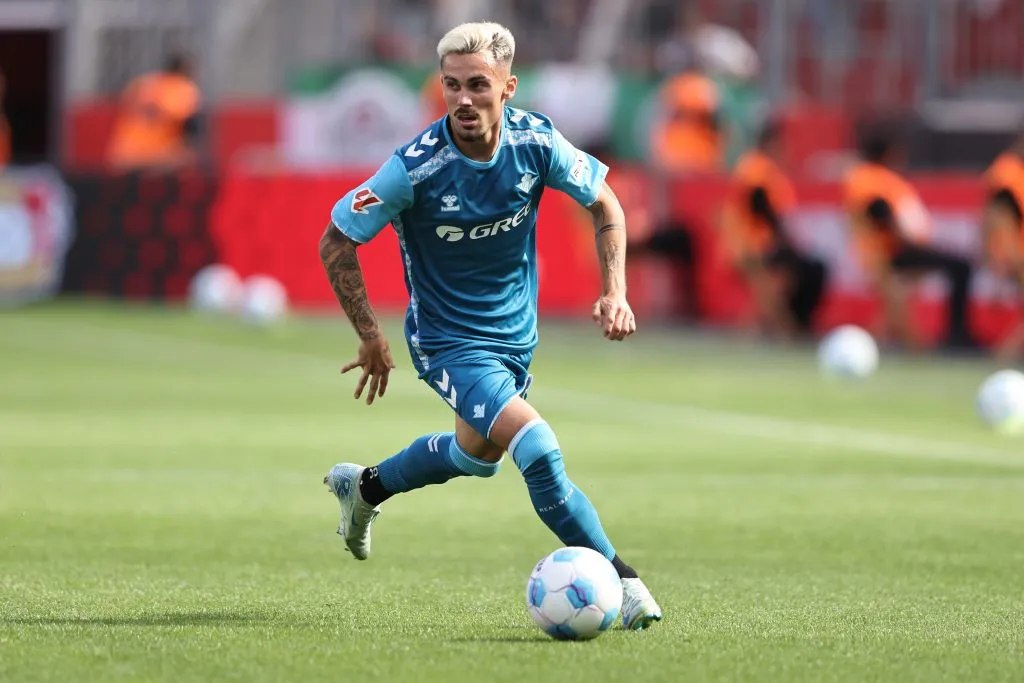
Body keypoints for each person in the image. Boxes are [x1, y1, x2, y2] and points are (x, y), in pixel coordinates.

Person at [318, 21, 662, 631]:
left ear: (508, 87)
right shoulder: (415, 168)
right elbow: (337, 240)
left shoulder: (536, 142)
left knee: (476, 457)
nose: (463, 99)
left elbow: (604, 202)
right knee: (538, 447)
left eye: (478, 85)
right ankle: (624, 580)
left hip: (514, 339)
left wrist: (615, 290)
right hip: (448, 343)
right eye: (451, 86)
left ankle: (365, 489)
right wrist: (371, 333)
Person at [841, 119, 977, 350]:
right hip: (893, 252)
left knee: (944, 268)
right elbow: (880, 217)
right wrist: (913, 243)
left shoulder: (865, 177)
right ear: (890, 152)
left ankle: (873, 343)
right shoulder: (872, 179)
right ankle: (957, 333)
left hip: (892, 250)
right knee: (960, 266)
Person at [722, 119, 828, 339]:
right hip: (755, 247)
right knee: (808, 269)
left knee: (798, 272)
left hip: (760, 244)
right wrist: (785, 238)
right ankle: (789, 328)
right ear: (772, 142)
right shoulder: (756, 167)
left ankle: (778, 326)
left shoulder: (761, 168)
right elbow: (761, 206)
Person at [106, 52, 201, 171]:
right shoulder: (182, 88)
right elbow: (190, 123)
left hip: (122, 153)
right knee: (187, 157)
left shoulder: (143, 83)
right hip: (153, 156)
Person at [981, 128, 1024, 360]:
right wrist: (1001, 260)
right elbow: (996, 219)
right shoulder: (1006, 171)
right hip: (1015, 255)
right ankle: (1000, 359)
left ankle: (1000, 359)